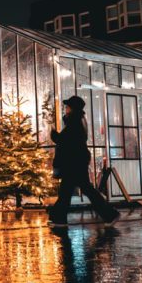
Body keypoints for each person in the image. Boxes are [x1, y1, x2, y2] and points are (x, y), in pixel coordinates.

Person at [48, 95, 120, 227]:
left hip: (74, 162)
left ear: (73, 108)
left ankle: (110, 214)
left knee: (72, 191)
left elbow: (67, 141)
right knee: (71, 191)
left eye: (68, 107)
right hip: (77, 161)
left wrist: (54, 136)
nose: (66, 109)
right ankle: (59, 218)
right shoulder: (77, 120)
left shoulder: (74, 122)